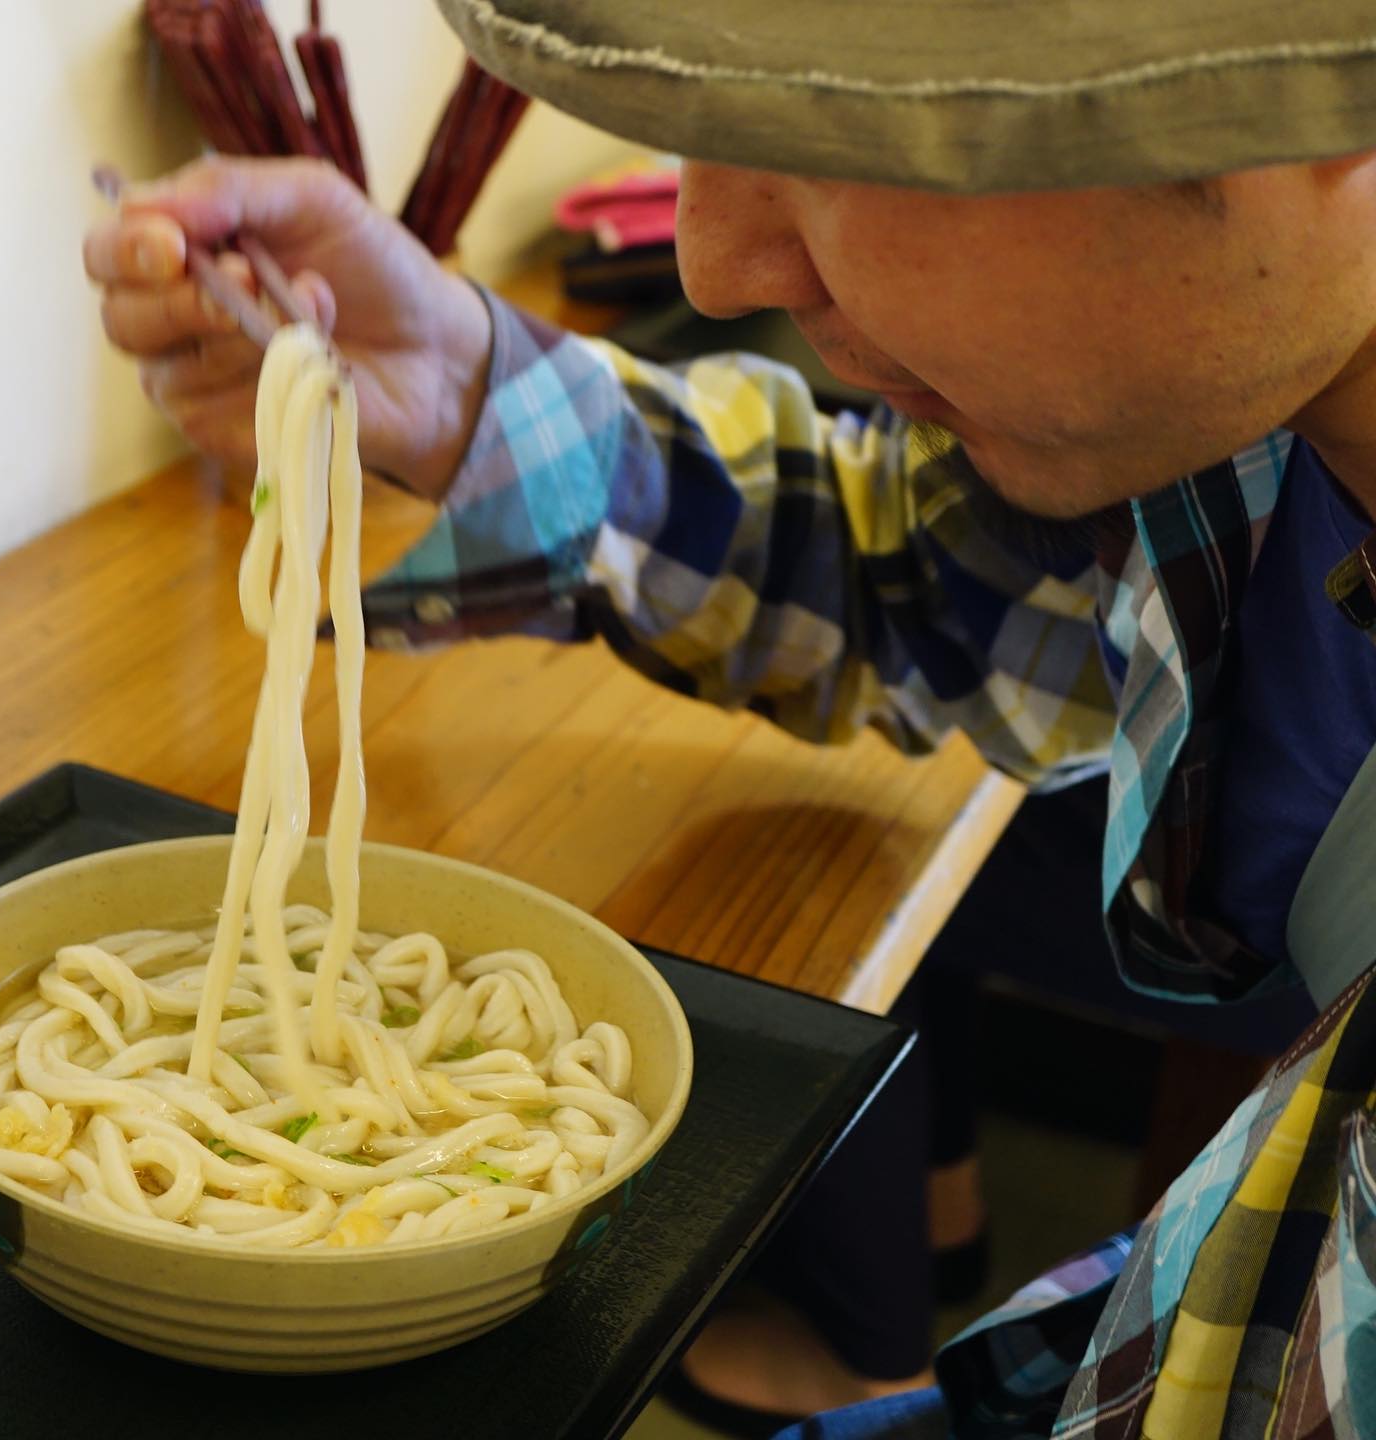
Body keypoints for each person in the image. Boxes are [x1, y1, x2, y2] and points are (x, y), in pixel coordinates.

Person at [83, 2, 1376, 1434]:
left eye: (821, 125)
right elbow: (922, 577)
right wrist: (467, 383)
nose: (714, 262)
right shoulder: (1248, 434)